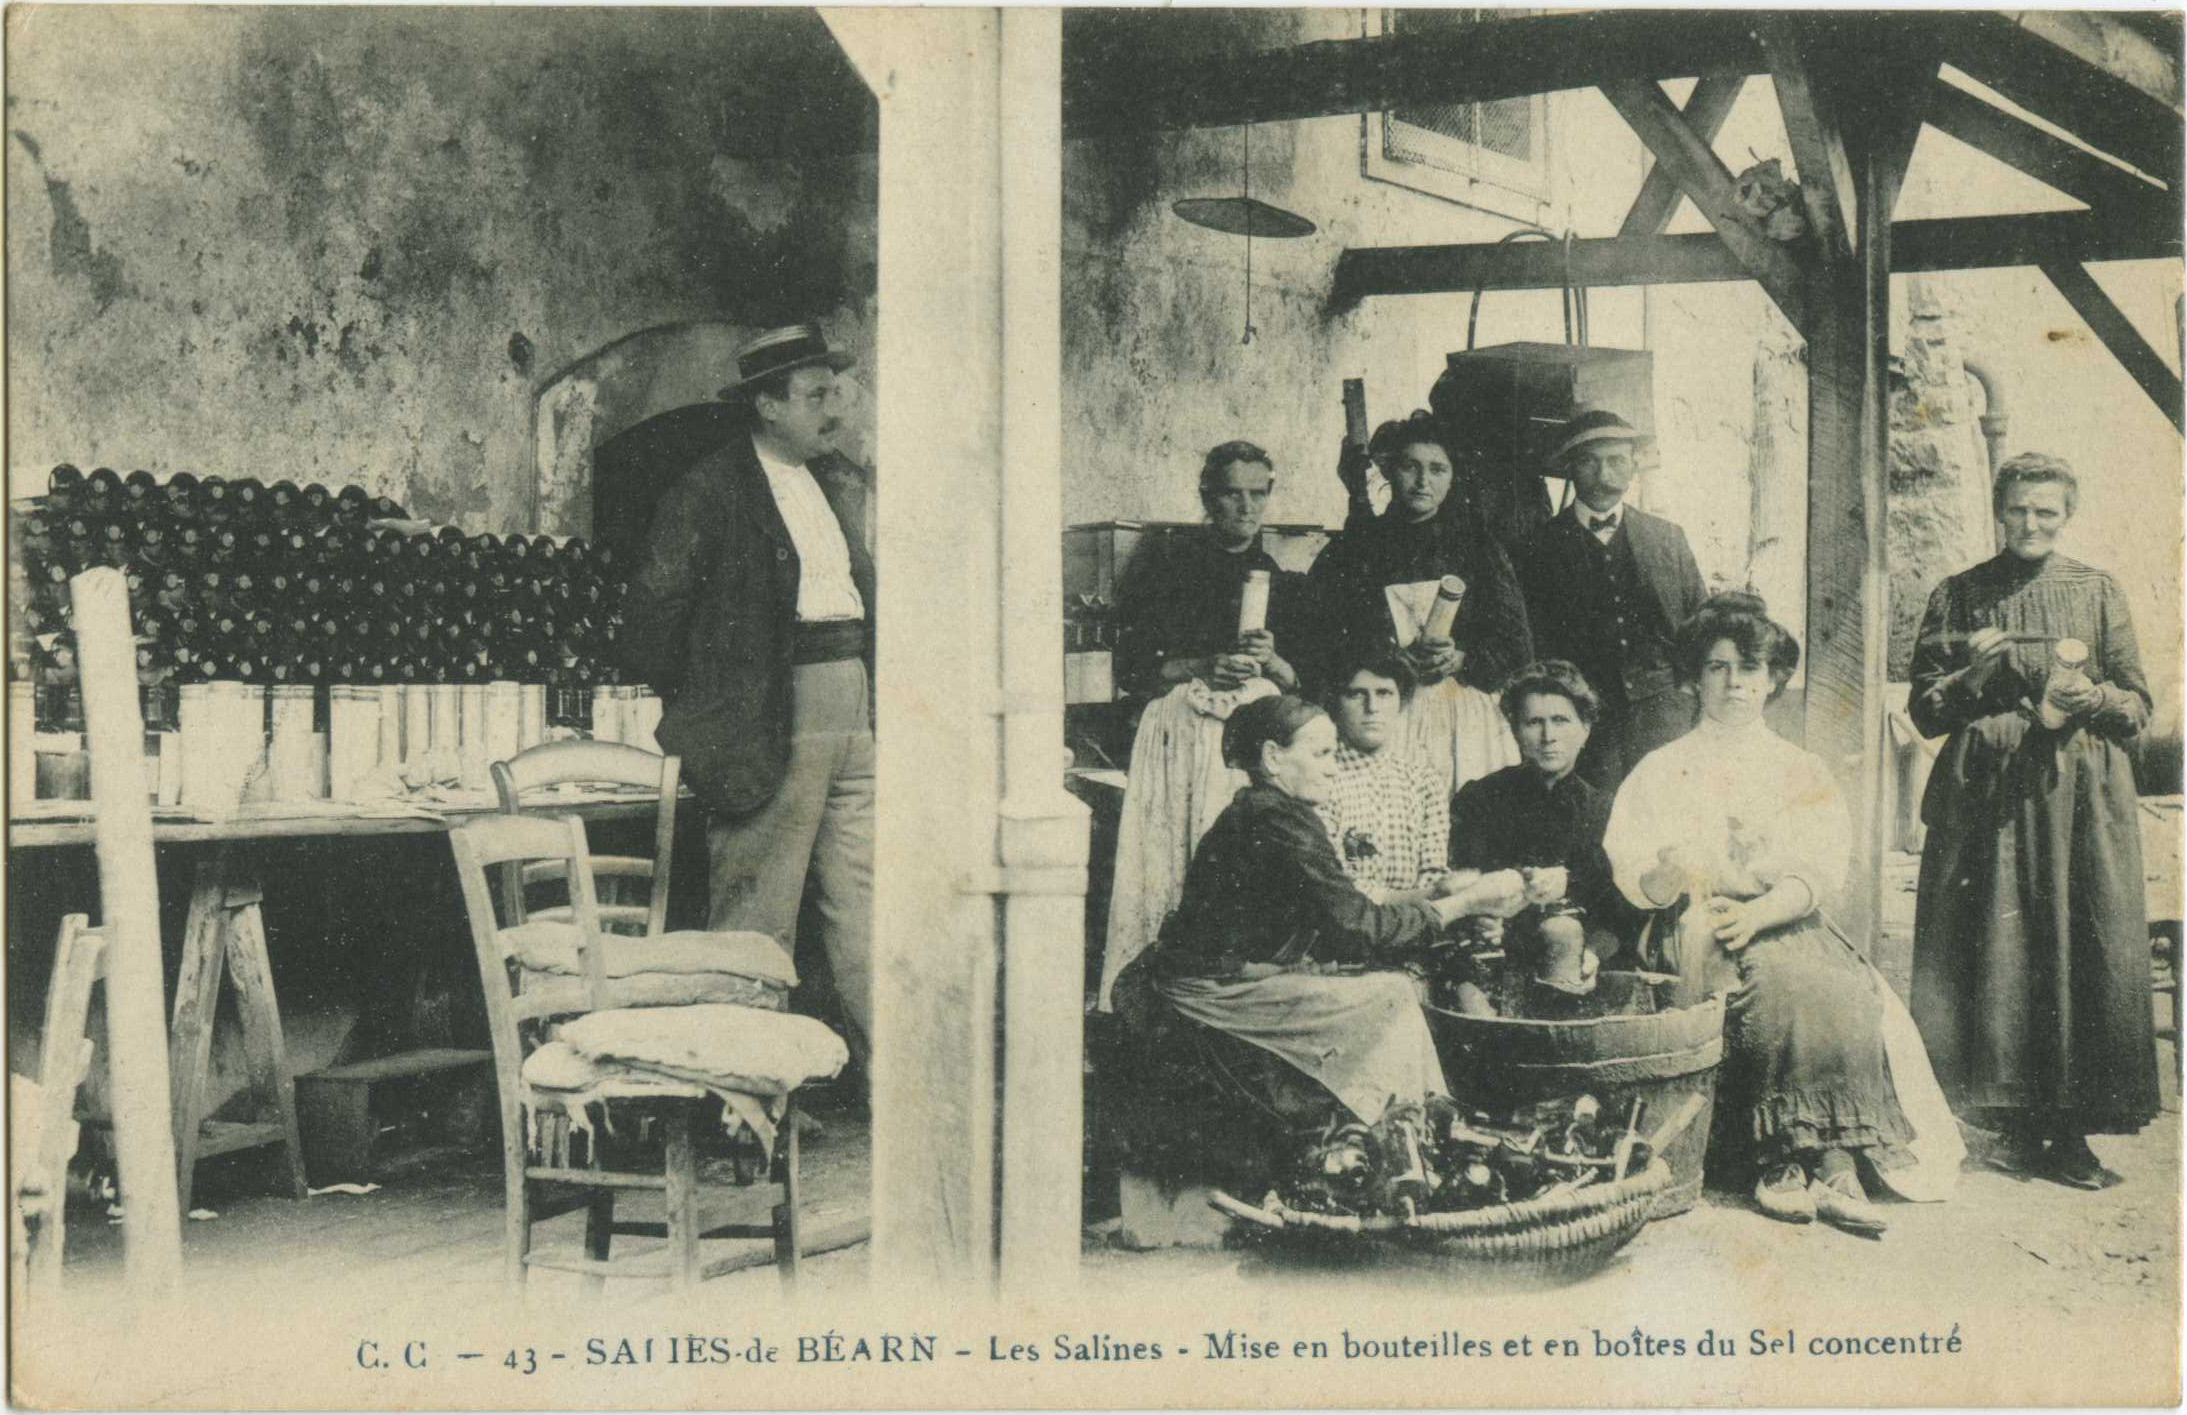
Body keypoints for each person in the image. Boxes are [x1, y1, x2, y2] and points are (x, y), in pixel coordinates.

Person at [1604, 594, 1962, 1234]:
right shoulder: (1659, 769)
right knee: (1770, 987)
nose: (1734, 682)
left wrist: (1763, 912)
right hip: (1693, 920)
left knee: (1841, 985)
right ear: (1694, 677)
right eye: (1717, 667)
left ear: (1772, 679)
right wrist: (1667, 869)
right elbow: (1636, 879)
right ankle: (1781, 1161)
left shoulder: (1800, 768)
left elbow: (1819, 870)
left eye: (1751, 667)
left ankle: (1836, 1160)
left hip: (1784, 915)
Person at [1110, 694, 1526, 1184]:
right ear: (1272, 757)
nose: (1332, 769)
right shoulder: (1276, 819)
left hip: (1226, 980)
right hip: (1210, 992)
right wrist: (1468, 902)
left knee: (1382, 991)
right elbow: (1358, 929)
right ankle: (1406, 1143)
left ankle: (1407, 1140)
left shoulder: (1268, 812)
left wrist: (1438, 893)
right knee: (1389, 995)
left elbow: (1340, 917)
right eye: (1321, 754)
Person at [619, 322, 874, 1062]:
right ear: (766, 405)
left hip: (850, 705)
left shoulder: (832, 483)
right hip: (773, 709)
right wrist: (723, 700)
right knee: (756, 918)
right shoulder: (706, 490)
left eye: (837, 391)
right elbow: (652, 624)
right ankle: (740, 1098)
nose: (835, 409)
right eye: (816, 394)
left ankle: (889, 1089)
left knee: (865, 905)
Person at [1908, 453, 2159, 1189]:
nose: (2031, 522)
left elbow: (2137, 704)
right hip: (1990, 799)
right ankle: (2011, 1125)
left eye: (2046, 510)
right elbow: (1924, 709)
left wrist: (2091, 701)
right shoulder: (1958, 595)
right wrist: (1977, 674)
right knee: (2001, 948)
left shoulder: (2097, 589)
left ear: (2065, 514)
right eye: (2019, 508)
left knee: (2082, 945)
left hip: (2081, 799)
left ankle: (2073, 1132)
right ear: (1998, 508)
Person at [1096, 442, 1302, 1010]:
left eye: (1257, 493)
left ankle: (1227, 1003)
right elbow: (1135, 669)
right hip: (1179, 734)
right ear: (1208, 498)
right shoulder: (1167, 563)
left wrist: (1274, 660)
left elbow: (1298, 681)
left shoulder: (1274, 577)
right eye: (1232, 493)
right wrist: (1205, 664)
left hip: (1245, 743)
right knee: (1173, 861)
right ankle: (1153, 1000)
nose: (1246, 506)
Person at [1306, 411, 1531, 799]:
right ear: (1391, 470)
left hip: (1460, 713)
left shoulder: (1479, 548)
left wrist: (1462, 658)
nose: (1423, 481)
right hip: (1379, 711)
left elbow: (1517, 645)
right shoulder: (1355, 548)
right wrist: (1383, 656)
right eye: (1411, 466)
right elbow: (1317, 638)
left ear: (1452, 477)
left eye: (1437, 469)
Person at [1516, 408, 1707, 792]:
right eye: (1589, 462)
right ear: (1570, 467)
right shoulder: (1536, 548)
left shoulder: (1667, 539)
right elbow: (1529, 642)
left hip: (1664, 714)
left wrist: (1686, 694)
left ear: (1635, 465)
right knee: (1591, 822)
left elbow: (1701, 627)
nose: (1604, 476)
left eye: (1616, 461)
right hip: (1582, 719)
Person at [1451, 660, 1648, 969]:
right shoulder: (1479, 800)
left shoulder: (1607, 811)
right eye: (1534, 722)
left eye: (1561, 720)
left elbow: (1624, 914)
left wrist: (1593, 953)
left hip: (1585, 962)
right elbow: (1458, 885)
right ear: (1515, 729)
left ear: (1585, 728)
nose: (1548, 736)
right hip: (1496, 957)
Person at [1316, 647, 1449, 897]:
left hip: (1416, 924)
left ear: (1402, 702)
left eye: (1384, 693)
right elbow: (1335, 886)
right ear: (1335, 703)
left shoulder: (1423, 781)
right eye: (1357, 694)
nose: (1372, 707)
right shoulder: (1320, 778)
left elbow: (1433, 872)